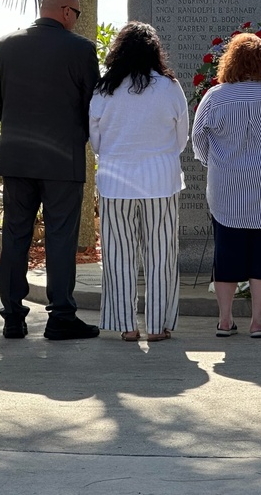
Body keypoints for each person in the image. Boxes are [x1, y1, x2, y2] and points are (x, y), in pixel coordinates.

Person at [0, 0, 101, 340]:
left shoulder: (5, 45)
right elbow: (92, 105)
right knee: (60, 238)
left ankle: (12, 316)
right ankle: (61, 317)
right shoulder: (81, 50)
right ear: (66, 11)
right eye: (77, 14)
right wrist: (73, 136)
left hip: (17, 158)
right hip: (62, 161)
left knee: (15, 236)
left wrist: (22, 129)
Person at [193, 32, 261, 339]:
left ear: (229, 62)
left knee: (227, 252)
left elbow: (198, 141)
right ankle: (258, 320)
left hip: (227, 186)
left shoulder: (215, 96)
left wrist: (215, 162)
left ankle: (226, 320)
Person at [89, 22, 189, 342]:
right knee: (161, 255)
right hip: (161, 179)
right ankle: (158, 326)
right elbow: (181, 137)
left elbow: (96, 140)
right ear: (154, 51)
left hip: (115, 181)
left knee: (118, 256)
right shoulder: (170, 87)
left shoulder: (104, 89)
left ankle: (126, 326)